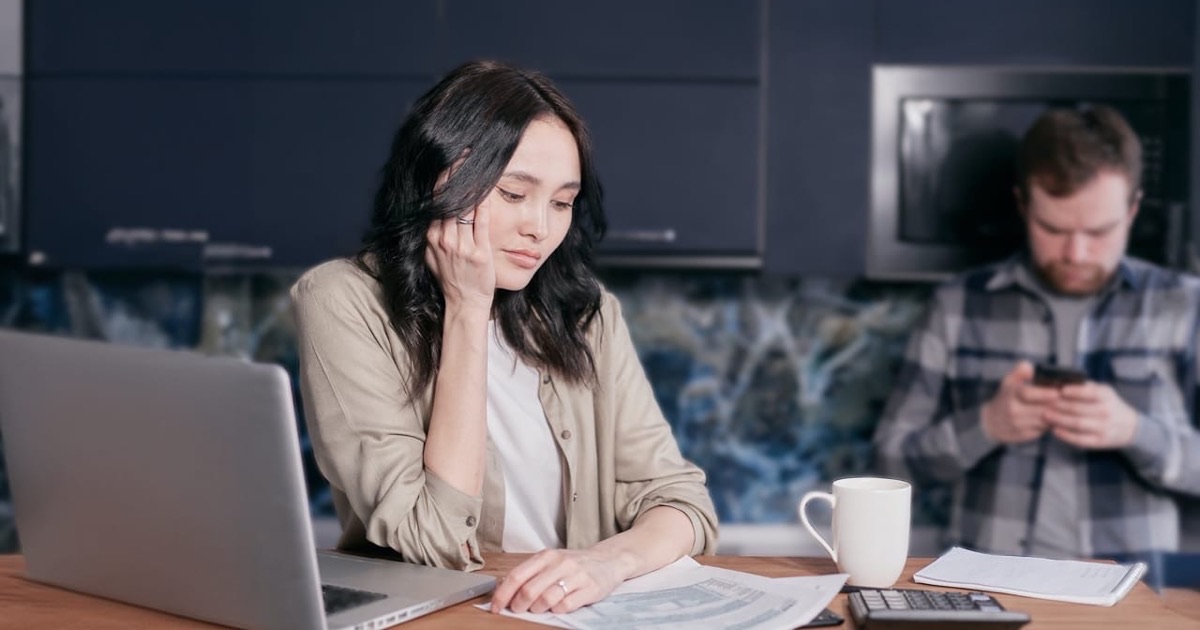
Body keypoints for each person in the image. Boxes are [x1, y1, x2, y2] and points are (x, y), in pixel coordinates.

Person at [290, 60, 718, 615]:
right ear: (439, 181)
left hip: (571, 615)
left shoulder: (588, 315)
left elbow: (683, 505)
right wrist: (468, 308)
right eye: (514, 194)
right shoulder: (342, 301)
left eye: (562, 202)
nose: (540, 227)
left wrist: (604, 564)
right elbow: (434, 539)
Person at [874, 105, 1200, 561]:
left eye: (1099, 230)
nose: (1076, 252)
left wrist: (1135, 431)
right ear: (1023, 205)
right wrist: (985, 425)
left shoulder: (1185, 305)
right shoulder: (957, 306)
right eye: (1053, 228)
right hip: (986, 595)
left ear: (1132, 210)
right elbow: (890, 463)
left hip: (1133, 603)